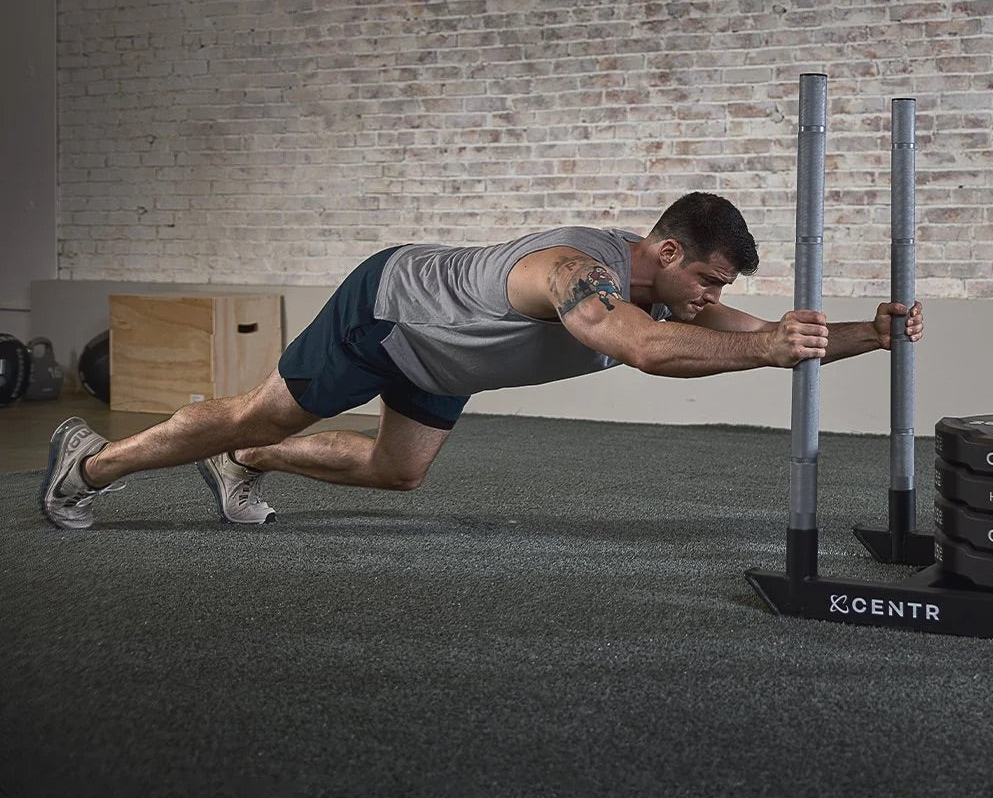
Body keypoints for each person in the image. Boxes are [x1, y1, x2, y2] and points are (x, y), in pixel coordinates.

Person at [40, 192, 923, 530]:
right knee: (259, 408)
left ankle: (247, 462)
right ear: (663, 251)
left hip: (440, 364)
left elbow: (763, 335)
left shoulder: (668, 293)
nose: (711, 298)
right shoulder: (575, 270)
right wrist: (763, 347)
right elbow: (646, 350)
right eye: (707, 280)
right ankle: (88, 465)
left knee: (399, 472)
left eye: (718, 288)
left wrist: (869, 334)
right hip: (387, 311)